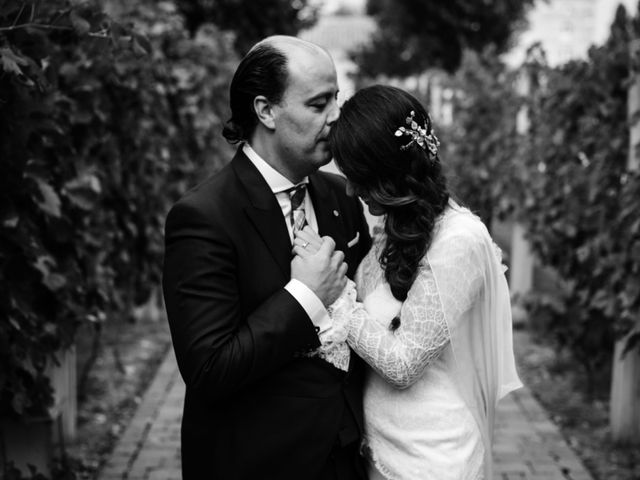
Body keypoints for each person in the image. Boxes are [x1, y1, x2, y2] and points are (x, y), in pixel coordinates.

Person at [162, 36, 372, 479]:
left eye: (337, 98)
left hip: (346, 455)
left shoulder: (341, 196)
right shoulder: (203, 217)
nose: (337, 116)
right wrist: (304, 296)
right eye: (318, 104)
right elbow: (208, 369)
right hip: (258, 461)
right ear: (266, 111)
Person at [293, 85, 522, 480]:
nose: (349, 189)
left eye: (357, 177)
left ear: (386, 173)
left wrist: (330, 290)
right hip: (383, 447)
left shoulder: (458, 241)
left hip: (429, 457)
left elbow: (402, 364)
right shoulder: (394, 225)